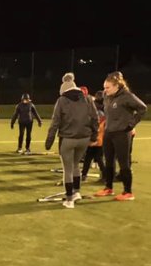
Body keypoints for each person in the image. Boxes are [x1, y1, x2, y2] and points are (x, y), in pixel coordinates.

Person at [45, 75, 98, 209]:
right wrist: (94, 135)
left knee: (67, 169)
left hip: (68, 139)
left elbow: (55, 122)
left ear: (63, 91)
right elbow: (95, 118)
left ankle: (69, 199)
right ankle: (77, 192)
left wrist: (49, 141)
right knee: (75, 166)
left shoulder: (62, 100)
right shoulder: (88, 99)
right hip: (84, 138)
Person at [95, 71, 147, 201]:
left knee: (123, 163)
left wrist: (131, 124)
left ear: (116, 86)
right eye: (104, 87)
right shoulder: (107, 96)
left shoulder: (127, 96)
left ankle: (128, 192)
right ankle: (108, 188)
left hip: (122, 133)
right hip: (108, 132)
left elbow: (142, 108)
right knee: (109, 162)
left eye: (107, 87)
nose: (104, 90)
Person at [81, 91, 106, 182]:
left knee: (91, 158)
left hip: (94, 138)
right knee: (97, 158)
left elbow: (93, 126)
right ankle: (104, 174)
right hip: (99, 139)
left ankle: (84, 175)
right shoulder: (103, 112)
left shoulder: (94, 114)